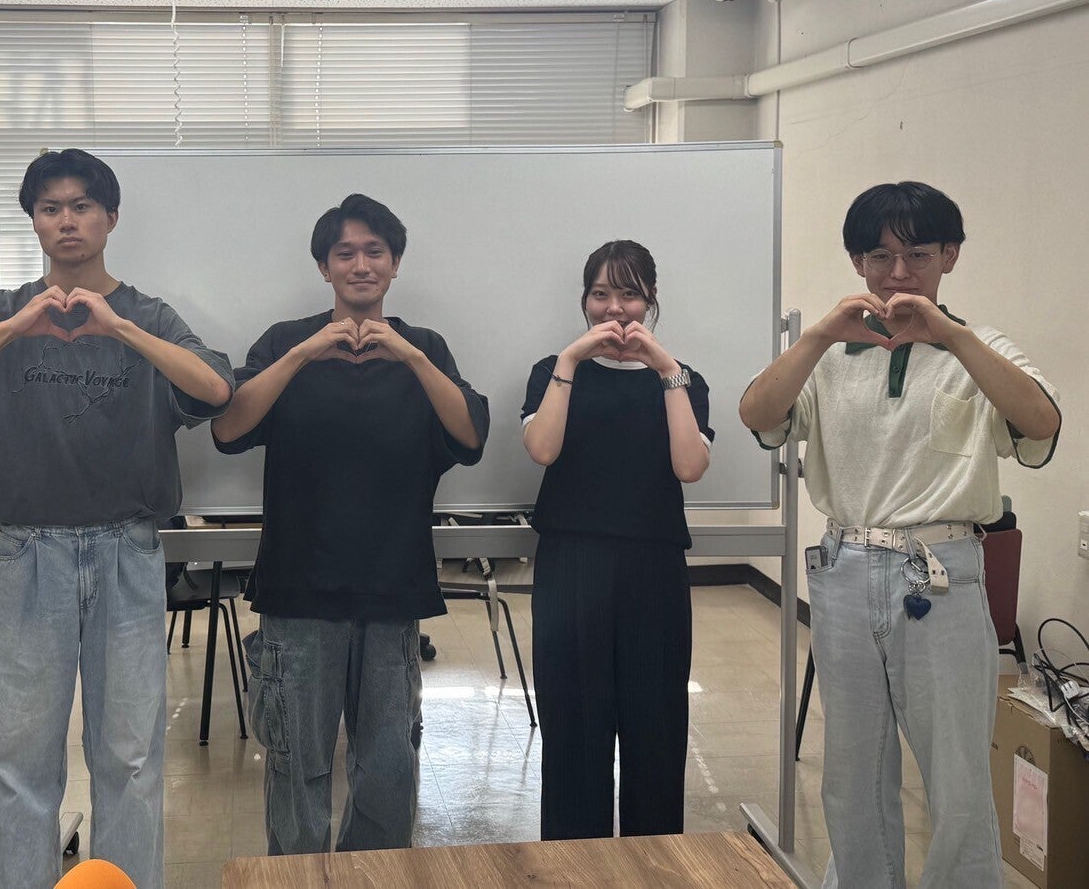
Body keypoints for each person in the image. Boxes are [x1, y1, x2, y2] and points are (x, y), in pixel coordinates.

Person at [0, 149, 233, 889]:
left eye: (82, 206)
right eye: (50, 208)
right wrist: (10, 332)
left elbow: (215, 388)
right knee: (17, 757)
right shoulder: (2, 314)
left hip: (127, 552)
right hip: (26, 554)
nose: (67, 220)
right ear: (34, 223)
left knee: (131, 756)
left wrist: (121, 330)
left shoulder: (147, 315)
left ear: (110, 218)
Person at [739, 181, 1060, 889]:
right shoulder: (828, 356)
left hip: (941, 571)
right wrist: (817, 335)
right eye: (879, 256)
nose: (898, 273)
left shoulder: (981, 348)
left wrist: (953, 338)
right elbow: (757, 415)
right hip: (846, 565)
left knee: (957, 775)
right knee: (851, 771)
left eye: (917, 254)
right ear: (858, 263)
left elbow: (1040, 424)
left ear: (949, 255)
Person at [212, 193, 489, 855]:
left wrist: (411, 358)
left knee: (388, 771)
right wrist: (304, 354)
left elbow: (470, 435)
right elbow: (227, 429)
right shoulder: (285, 342)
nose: (360, 265)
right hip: (298, 592)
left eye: (374, 252)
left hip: (392, 591)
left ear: (394, 264)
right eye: (345, 253)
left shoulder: (424, 348)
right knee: (297, 767)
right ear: (323, 267)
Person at [520, 239, 712, 840]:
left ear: (650, 300)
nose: (615, 308)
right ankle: (574, 867)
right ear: (584, 300)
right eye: (600, 293)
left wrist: (666, 371)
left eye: (629, 293)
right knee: (572, 729)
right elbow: (542, 449)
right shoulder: (552, 372)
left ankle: (653, 865)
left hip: (653, 567)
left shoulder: (682, 378)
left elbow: (690, 466)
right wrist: (570, 360)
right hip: (569, 565)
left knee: (656, 728)